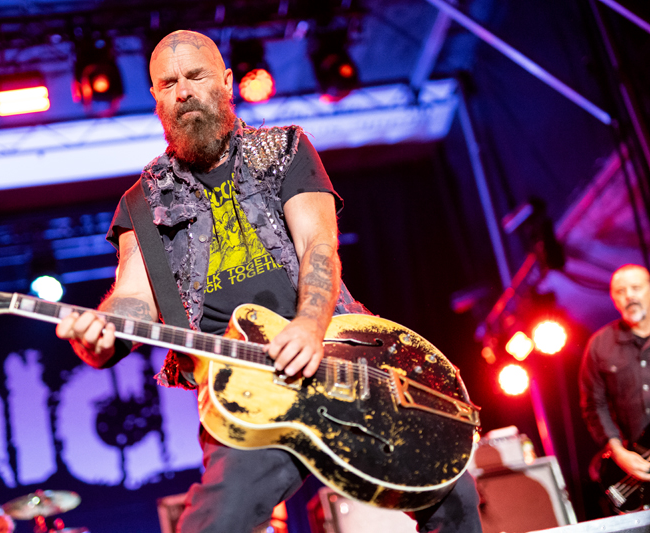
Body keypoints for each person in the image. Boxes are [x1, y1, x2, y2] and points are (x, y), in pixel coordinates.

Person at [56, 29, 481, 533]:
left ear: (227, 81)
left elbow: (318, 247)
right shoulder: (141, 202)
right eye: (168, 83)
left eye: (196, 75)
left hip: (336, 355)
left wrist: (307, 324)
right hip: (245, 391)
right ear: (155, 97)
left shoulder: (284, 150)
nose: (184, 90)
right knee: (215, 525)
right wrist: (99, 332)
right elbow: (132, 297)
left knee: (449, 491)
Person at [580, 264, 650, 484]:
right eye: (620, 291)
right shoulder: (599, 345)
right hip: (638, 462)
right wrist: (619, 453)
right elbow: (594, 405)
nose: (629, 296)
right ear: (613, 299)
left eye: (636, 288)